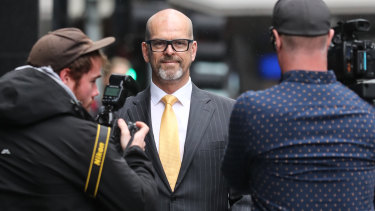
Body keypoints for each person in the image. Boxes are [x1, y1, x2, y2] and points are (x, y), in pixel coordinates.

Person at [222, 0, 375, 210]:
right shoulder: (367, 116)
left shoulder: (252, 111)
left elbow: (236, 180)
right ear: (329, 37)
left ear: (276, 39)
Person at [0, 28, 157, 211]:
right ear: (66, 77)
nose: (96, 92)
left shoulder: (7, 118)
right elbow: (142, 203)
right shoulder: (83, 139)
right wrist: (135, 151)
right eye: (92, 81)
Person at [116, 8, 250, 211]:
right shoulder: (121, 115)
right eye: (160, 43)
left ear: (193, 50)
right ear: (145, 51)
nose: (169, 51)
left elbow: (244, 196)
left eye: (179, 43)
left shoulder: (229, 113)